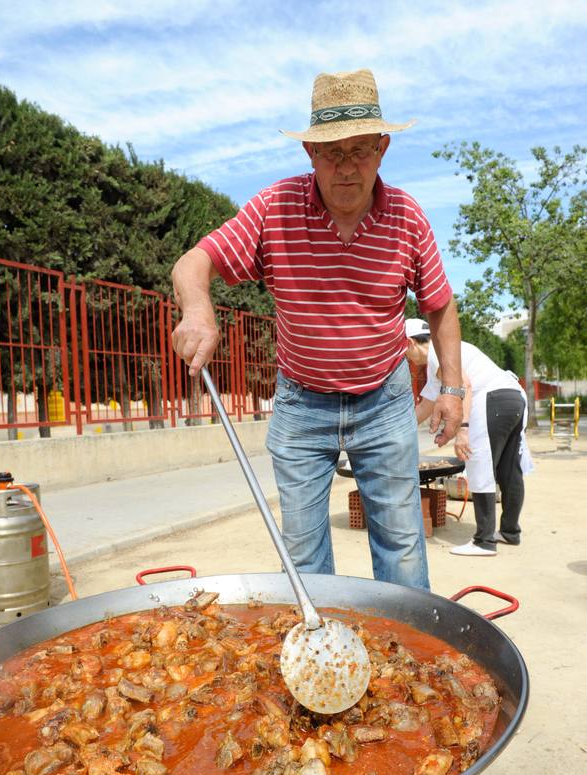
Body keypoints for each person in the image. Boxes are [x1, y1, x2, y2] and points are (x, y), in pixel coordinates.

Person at [171, 68, 465, 590]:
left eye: (359, 151)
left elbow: (439, 305)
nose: (346, 167)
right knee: (303, 552)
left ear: (382, 149)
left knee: (400, 542)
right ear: (310, 153)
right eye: (331, 152)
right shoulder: (275, 208)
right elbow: (194, 262)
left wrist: (453, 390)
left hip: (385, 399)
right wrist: (197, 310)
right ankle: (322, 661)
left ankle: (407, 656)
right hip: (301, 404)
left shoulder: (407, 217)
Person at [405, 318, 533, 556]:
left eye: (404, 352)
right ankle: (509, 532)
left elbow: (464, 385)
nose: (407, 359)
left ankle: (484, 541)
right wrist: (400, 433)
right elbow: (426, 406)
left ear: (409, 343)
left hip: (491, 399)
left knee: (479, 465)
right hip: (513, 397)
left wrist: (462, 430)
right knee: (508, 469)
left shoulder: (438, 353)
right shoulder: (441, 357)